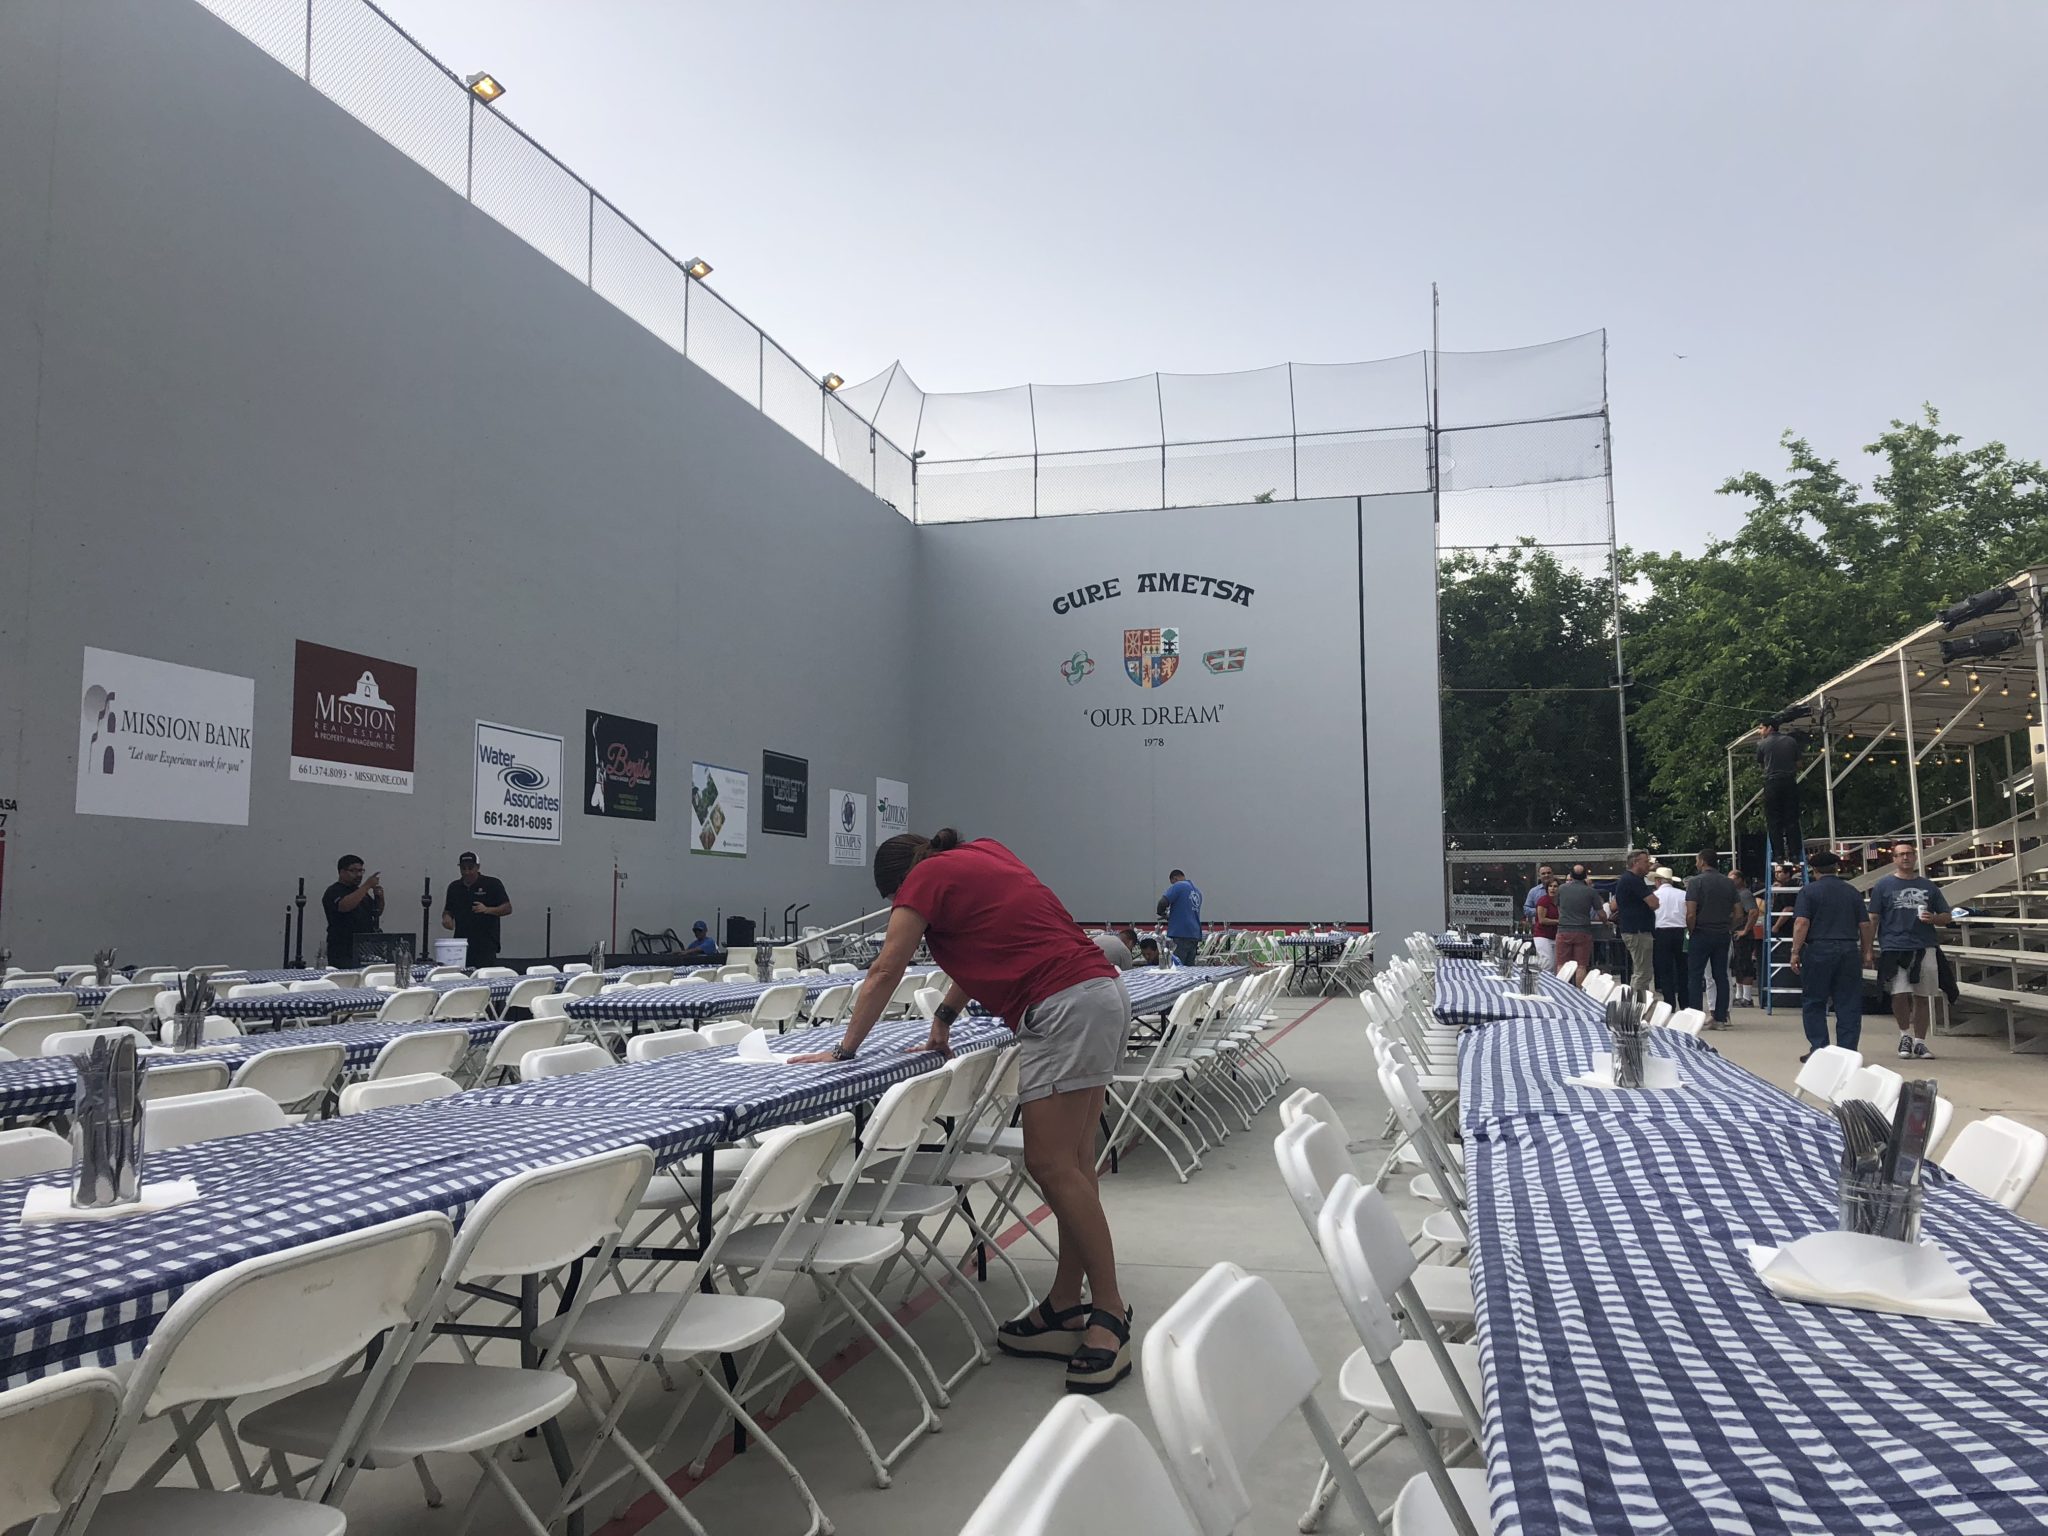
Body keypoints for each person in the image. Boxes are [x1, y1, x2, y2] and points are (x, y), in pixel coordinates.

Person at [791, 828, 1135, 1393]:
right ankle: (1065, 1306)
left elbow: (886, 969)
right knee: (1073, 1165)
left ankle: (1110, 1314)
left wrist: (843, 1049)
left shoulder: (924, 881)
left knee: (1050, 1165)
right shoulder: (985, 853)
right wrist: (944, 1017)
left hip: (1062, 1006)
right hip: (1099, 992)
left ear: (899, 886)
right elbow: (990, 944)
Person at [1869, 840, 1953, 1060]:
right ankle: (1904, 1034)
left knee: (1923, 995)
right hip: (1894, 946)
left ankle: (1920, 1041)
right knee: (1899, 993)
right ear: (1894, 859)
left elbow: (1947, 916)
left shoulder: (1929, 887)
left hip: (1924, 945)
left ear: (1915, 857)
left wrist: (1934, 918)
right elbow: (1874, 917)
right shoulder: (1883, 886)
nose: (1905, 857)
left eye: (1909, 853)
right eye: (1901, 854)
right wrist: (1868, 947)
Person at [1788, 848, 1874, 1058]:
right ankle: (1847, 1051)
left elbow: (1801, 923)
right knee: (1848, 1002)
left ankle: (1820, 1050)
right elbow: (1865, 924)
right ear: (1836, 868)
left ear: (1814, 870)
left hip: (1819, 948)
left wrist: (1795, 951)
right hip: (1848, 949)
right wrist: (1867, 952)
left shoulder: (1809, 892)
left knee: (1814, 1001)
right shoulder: (1852, 892)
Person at [1685, 850, 1740, 1028]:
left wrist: (1691, 930)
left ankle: (1695, 1017)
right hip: (1722, 933)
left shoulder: (1695, 882)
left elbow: (1691, 913)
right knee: (1721, 975)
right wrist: (1729, 927)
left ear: (1702, 862)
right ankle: (1720, 1018)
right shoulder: (1729, 883)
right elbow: (1739, 913)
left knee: (1695, 976)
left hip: (1701, 932)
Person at [1755, 718, 1810, 870]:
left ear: (1769, 728)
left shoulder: (1762, 744)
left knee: (1774, 820)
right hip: (1789, 782)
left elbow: (1761, 765)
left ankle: (1778, 855)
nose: (1759, 731)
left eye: (1761, 728)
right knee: (1792, 819)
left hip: (1772, 783)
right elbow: (1799, 764)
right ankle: (1794, 854)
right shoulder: (1791, 741)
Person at [441, 852, 512, 968]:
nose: (467, 872)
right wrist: (446, 918)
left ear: (478, 867)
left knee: (483, 974)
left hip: (486, 944)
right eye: (463, 868)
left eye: (470, 868)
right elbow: (448, 910)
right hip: (461, 945)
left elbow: (507, 908)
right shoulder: (454, 887)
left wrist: (487, 909)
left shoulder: (492, 884)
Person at [1610, 850, 1659, 997]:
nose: (1649, 865)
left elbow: (1614, 905)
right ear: (1635, 862)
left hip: (1632, 929)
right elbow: (1654, 903)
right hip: (1638, 931)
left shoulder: (1626, 879)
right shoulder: (1634, 880)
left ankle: (1635, 1002)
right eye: (1646, 861)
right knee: (1643, 973)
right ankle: (1637, 1005)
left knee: (1640, 971)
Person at [321, 854, 383, 966]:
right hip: (342, 949)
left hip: (364, 948)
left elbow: (376, 912)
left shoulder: (360, 892)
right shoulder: (334, 891)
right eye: (353, 871)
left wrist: (379, 897)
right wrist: (367, 885)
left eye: (361, 871)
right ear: (342, 872)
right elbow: (344, 906)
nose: (358, 875)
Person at [1651, 866, 1688, 1009]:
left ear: (1658, 881)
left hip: (1661, 932)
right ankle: (1685, 1002)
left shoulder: (1654, 896)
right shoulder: (1683, 894)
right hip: (1681, 931)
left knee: (1665, 969)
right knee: (1683, 968)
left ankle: (1669, 1003)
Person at [1552, 866, 1598, 980]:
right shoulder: (1590, 891)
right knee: (1581, 966)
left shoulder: (1561, 889)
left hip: (1564, 930)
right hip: (1583, 931)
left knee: (1561, 964)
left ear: (1571, 875)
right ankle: (1578, 990)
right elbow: (1600, 912)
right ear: (1585, 876)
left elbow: (1557, 904)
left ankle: (1561, 988)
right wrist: (1606, 921)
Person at [1156, 869, 1203, 966]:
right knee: (1189, 969)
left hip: (1180, 934)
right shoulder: (1197, 891)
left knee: (1177, 967)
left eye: (1172, 883)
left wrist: (1162, 913)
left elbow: (1163, 902)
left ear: (1175, 878)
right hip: (1194, 934)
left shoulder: (1179, 886)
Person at [1729, 870, 1761, 1008]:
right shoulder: (1736, 894)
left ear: (1740, 879)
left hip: (1743, 935)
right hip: (1736, 932)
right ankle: (1739, 995)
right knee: (1737, 964)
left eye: (1733, 879)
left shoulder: (1745, 894)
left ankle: (1747, 997)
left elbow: (1753, 912)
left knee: (1745, 964)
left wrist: (1745, 930)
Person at [1531, 877, 1561, 971]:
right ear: (1547, 888)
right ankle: (1542, 979)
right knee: (1548, 963)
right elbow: (1541, 920)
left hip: (1555, 935)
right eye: (1550, 886)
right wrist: (1558, 921)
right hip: (1542, 935)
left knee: (1555, 964)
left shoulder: (1560, 901)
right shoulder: (1543, 900)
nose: (1552, 888)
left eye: (1555, 886)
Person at [1522, 863, 1555, 930]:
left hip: (1558, 928)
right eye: (1543, 873)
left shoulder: (1561, 890)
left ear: (1552, 874)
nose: (1546, 875)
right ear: (1539, 875)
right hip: (1541, 928)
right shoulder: (1534, 891)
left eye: (1548, 873)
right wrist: (1540, 911)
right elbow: (1526, 909)